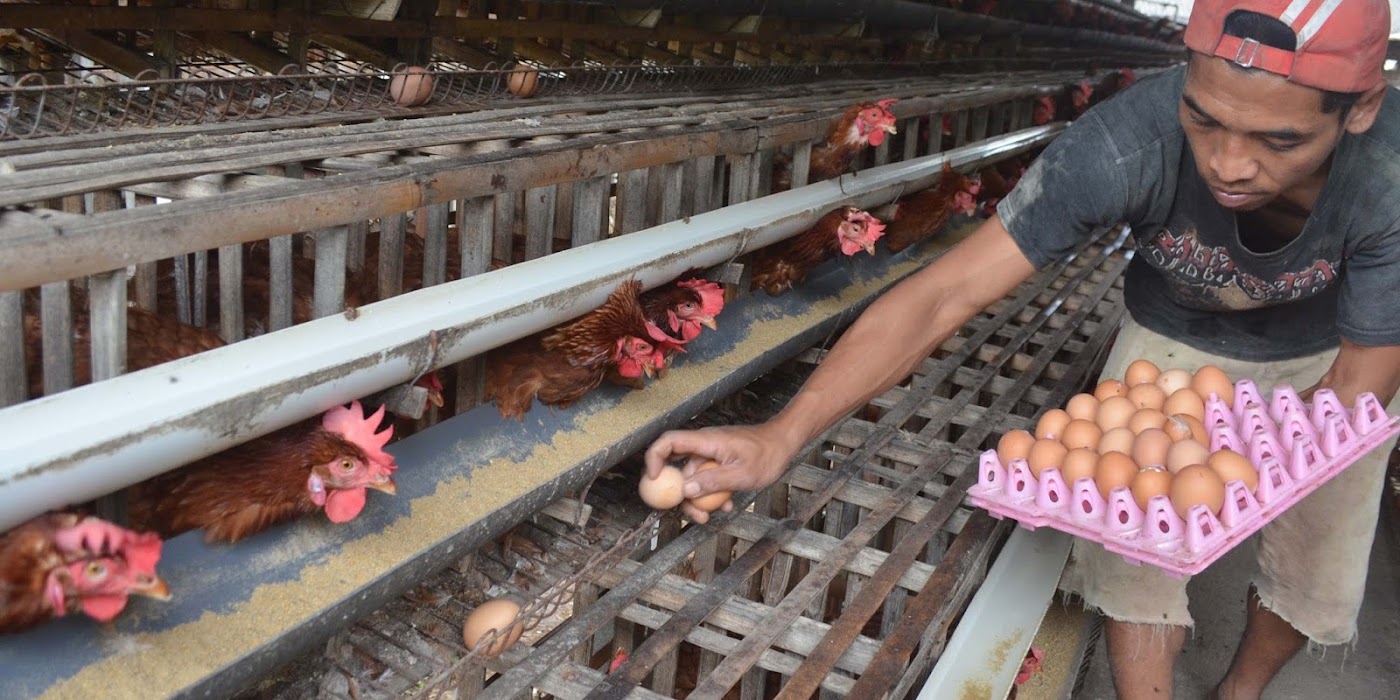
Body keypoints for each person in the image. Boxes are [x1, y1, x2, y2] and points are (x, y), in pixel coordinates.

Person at [644, 1, 1400, 698]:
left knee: (1316, 568)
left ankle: (1241, 689)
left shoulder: (1389, 175)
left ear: (1361, 108)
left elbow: (1365, 373)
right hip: (1173, 342)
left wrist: (1267, 459)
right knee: (1131, 548)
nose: (1229, 164)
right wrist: (782, 433)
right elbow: (943, 293)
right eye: (1205, 120)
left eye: (1279, 140)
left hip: (1327, 350)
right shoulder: (1124, 144)